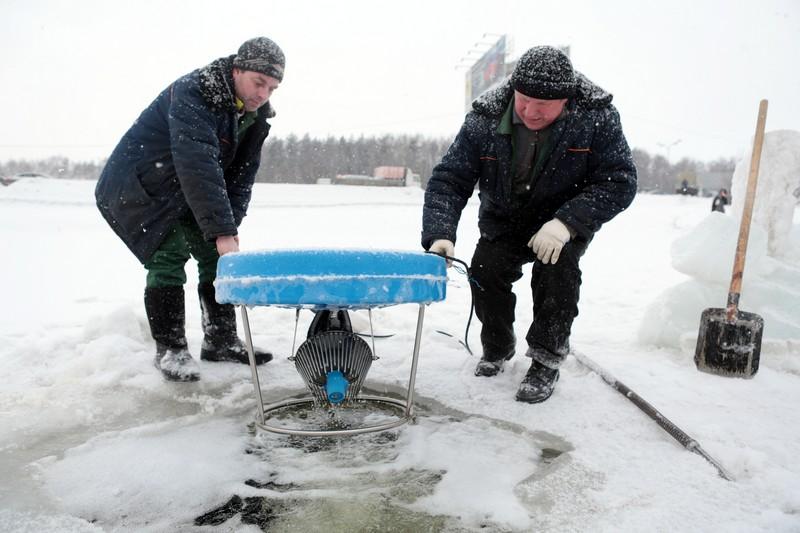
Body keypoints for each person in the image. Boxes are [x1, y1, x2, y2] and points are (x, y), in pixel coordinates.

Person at [422, 46, 637, 403]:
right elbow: (450, 179)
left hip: (560, 222)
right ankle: (498, 346)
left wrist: (567, 223)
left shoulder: (595, 118)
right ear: (514, 91)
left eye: (544, 105)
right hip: (505, 220)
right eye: (524, 101)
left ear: (566, 99)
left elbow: (619, 180)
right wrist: (440, 233)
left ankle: (546, 358)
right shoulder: (485, 119)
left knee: (557, 274)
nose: (531, 112)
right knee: (485, 273)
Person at [95, 37, 284, 381]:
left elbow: (240, 179)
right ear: (237, 68)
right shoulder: (194, 93)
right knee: (168, 255)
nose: (263, 93)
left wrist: (229, 229)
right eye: (259, 82)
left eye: (272, 87)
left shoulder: (254, 117)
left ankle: (220, 339)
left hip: (185, 187)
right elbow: (199, 164)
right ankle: (170, 349)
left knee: (216, 257)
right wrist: (222, 231)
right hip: (140, 187)